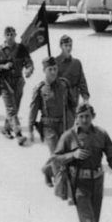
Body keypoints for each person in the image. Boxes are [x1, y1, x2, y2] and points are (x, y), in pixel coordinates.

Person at [30, 56, 75, 187]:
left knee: (64, 154)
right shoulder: (40, 89)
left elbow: (72, 104)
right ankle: (62, 185)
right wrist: (31, 128)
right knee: (56, 154)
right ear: (44, 70)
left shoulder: (64, 84)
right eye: (50, 69)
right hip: (48, 127)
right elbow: (33, 110)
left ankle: (47, 170)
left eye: (55, 68)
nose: (54, 72)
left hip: (64, 124)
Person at [0, 26, 34, 145]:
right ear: (4, 36)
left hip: (18, 82)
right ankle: (18, 134)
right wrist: (3, 66)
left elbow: (29, 62)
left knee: (15, 108)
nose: (10, 37)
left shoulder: (21, 48)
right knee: (11, 109)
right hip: (5, 82)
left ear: (15, 35)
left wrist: (29, 70)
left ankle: (6, 128)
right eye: (7, 34)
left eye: (12, 34)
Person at [55, 35, 89, 128]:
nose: (68, 48)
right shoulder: (55, 62)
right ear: (61, 46)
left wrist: (85, 97)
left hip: (73, 97)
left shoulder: (76, 63)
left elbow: (82, 80)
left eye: (70, 45)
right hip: (59, 97)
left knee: (71, 122)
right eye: (66, 45)